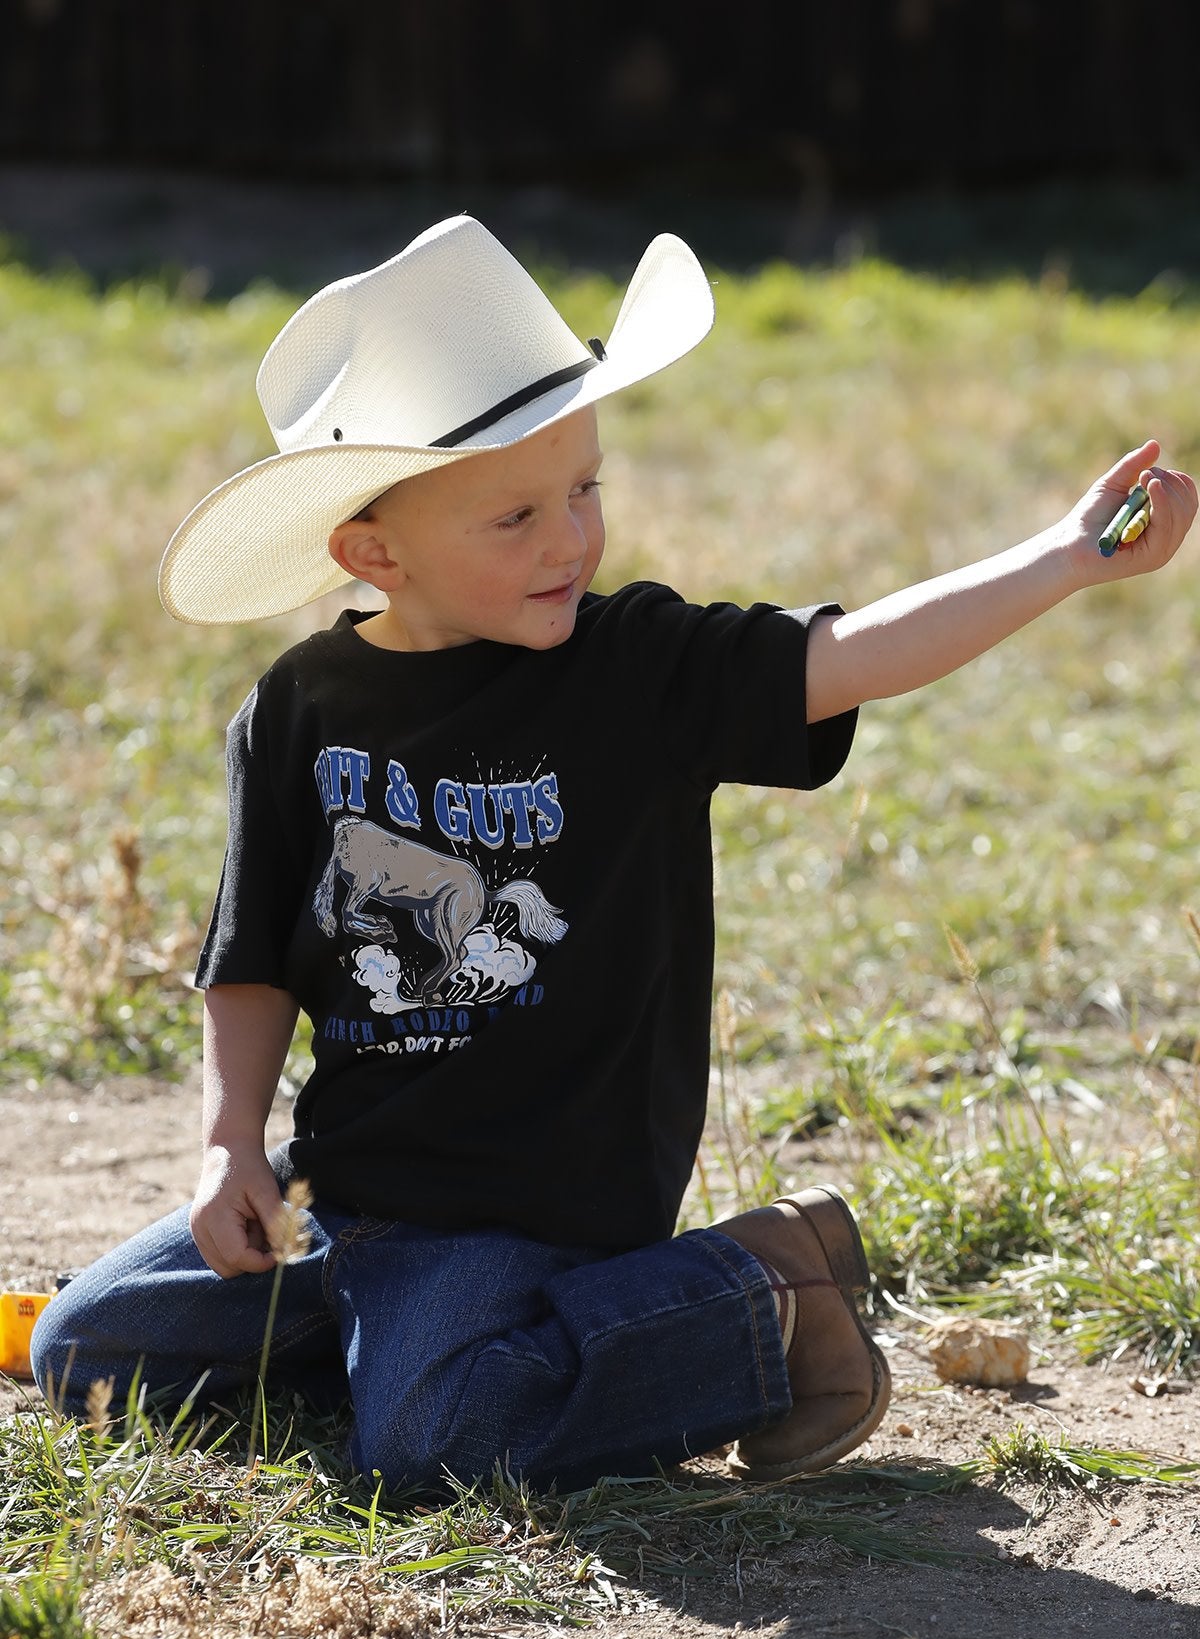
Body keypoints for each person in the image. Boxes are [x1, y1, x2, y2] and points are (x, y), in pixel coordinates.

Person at [33, 216, 1196, 1493]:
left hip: (535, 1206)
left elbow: (854, 651)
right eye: (516, 514)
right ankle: (439, 1359)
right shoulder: (300, 707)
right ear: (374, 553)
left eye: (586, 490)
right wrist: (228, 1146)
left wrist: (1066, 559)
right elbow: (249, 953)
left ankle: (758, 1290)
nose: (571, 541)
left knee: (438, 1444)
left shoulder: (637, 666)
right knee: (88, 1351)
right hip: (347, 1196)